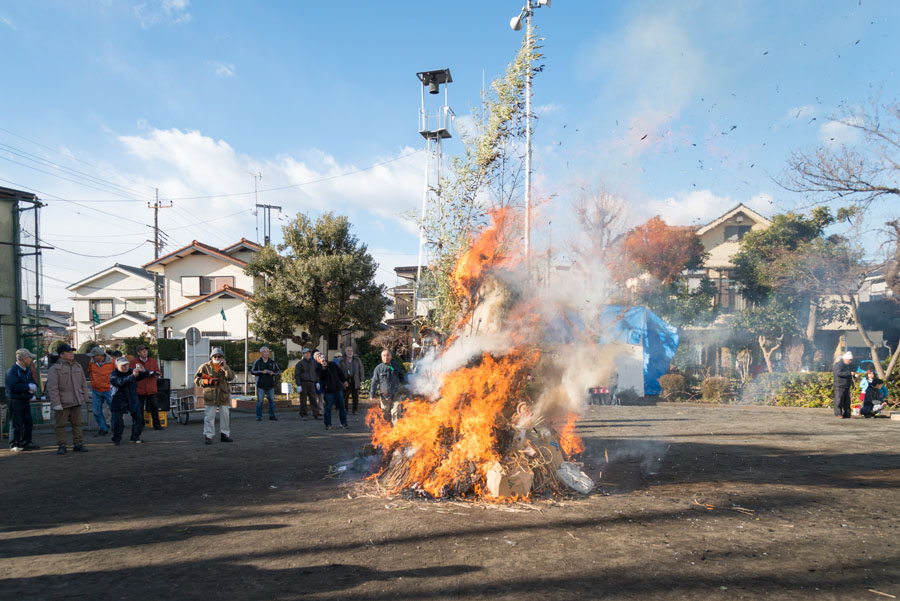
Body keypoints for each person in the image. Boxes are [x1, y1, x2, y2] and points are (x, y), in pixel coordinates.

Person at [46, 343, 91, 455]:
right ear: (61, 355)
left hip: (76, 400)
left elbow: (83, 383)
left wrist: (85, 397)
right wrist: (56, 403)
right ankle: (62, 445)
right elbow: (52, 388)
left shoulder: (78, 366)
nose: (72, 354)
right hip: (62, 402)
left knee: (77, 424)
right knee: (60, 425)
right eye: (69, 352)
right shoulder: (55, 369)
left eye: (72, 352)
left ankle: (78, 444)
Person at [194, 347, 235, 444]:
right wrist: (208, 381)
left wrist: (225, 367)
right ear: (211, 357)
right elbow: (197, 380)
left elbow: (230, 377)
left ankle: (225, 435)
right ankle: (208, 436)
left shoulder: (225, 366)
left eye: (219, 356)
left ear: (222, 357)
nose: (217, 358)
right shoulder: (204, 367)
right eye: (215, 356)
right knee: (209, 417)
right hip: (210, 395)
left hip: (223, 395)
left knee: (225, 416)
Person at [110, 356, 151, 445]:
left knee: (138, 419)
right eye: (123, 366)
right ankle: (116, 439)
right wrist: (133, 376)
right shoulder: (113, 374)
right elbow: (120, 382)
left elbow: (146, 375)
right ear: (117, 366)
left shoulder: (132, 371)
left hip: (132, 398)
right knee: (118, 422)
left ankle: (135, 437)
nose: (125, 367)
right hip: (118, 400)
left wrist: (144, 371)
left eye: (127, 365)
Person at [4, 348, 40, 452]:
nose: (30, 360)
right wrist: (28, 387)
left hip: (24, 400)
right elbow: (13, 386)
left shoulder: (26, 370)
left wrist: (33, 386)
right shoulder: (13, 370)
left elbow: (32, 382)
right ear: (24, 358)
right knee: (16, 423)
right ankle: (14, 443)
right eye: (29, 358)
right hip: (15, 401)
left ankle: (26, 442)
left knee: (27, 422)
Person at [131, 344, 163, 430]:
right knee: (139, 408)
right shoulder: (134, 362)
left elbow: (158, 373)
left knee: (154, 407)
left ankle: (157, 425)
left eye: (146, 350)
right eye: (142, 350)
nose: (145, 352)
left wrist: (152, 373)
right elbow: (131, 374)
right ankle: (140, 425)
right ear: (138, 353)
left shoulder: (153, 361)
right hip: (139, 389)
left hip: (151, 389)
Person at [370, 350, 406, 424]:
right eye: (384, 355)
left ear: (391, 356)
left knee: (396, 413)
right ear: (381, 357)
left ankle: (395, 432)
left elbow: (402, 379)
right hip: (384, 396)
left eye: (387, 355)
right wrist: (372, 395)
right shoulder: (378, 368)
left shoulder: (396, 366)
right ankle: (386, 431)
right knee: (385, 415)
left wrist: (407, 389)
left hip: (396, 394)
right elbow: (374, 382)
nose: (386, 357)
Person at [315, 351, 348, 430]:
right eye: (319, 357)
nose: (321, 358)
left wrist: (344, 381)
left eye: (322, 356)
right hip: (328, 391)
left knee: (342, 407)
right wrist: (324, 367)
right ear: (317, 360)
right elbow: (321, 376)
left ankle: (344, 423)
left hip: (338, 389)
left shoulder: (332, 364)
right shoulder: (318, 368)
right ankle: (328, 424)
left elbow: (340, 373)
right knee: (328, 408)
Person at [88, 346, 116, 436]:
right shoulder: (91, 363)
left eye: (93, 356)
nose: (92, 358)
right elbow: (91, 374)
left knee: (114, 409)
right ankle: (103, 428)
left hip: (109, 389)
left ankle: (115, 427)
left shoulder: (112, 362)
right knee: (96, 411)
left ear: (100, 356)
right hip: (96, 390)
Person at [250, 346, 281, 421]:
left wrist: (273, 373)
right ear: (261, 353)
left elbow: (278, 371)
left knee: (272, 401)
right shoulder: (257, 362)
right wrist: (261, 372)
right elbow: (252, 371)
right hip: (261, 385)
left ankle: (272, 415)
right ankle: (259, 416)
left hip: (270, 385)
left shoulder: (272, 362)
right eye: (264, 351)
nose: (266, 353)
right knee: (260, 401)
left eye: (267, 351)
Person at [294, 348, 321, 419]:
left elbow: (316, 373)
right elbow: (297, 375)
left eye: (309, 353)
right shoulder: (299, 364)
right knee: (303, 400)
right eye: (306, 353)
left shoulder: (313, 363)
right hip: (303, 383)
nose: (308, 354)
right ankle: (303, 414)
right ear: (303, 354)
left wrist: (317, 382)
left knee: (314, 399)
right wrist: (299, 385)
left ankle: (316, 414)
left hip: (312, 383)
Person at [338, 346, 365, 415]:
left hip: (355, 379)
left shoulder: (357, 359)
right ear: (345, 352)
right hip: (346, 380)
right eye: (348, 351)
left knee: (355, 396)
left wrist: (362, 377)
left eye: (351, 351)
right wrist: (342, 380)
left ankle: (355, 410)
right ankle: (345, 410)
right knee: (345, 397)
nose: (350, 352)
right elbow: (339, 371)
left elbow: (361, 368)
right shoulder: (341, 360)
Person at [832, 351, 855, 419]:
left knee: (847, 401)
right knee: (838, 400)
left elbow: (848, 373)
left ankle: (847, 414)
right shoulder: (838, 365)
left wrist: (854, 375)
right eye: (849, 360)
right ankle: (838, 414)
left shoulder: (848, 366)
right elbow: (838, 373)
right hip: (839, 385)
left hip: (846, 385)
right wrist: (849, 373)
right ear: (845, 359)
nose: (850, 361)